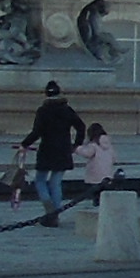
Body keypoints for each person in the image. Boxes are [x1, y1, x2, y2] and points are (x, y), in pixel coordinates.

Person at [24, 81, 86, 226]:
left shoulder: (43, 110)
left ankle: (49, 210)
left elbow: (37, 132)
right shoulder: (67, 109)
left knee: (40, 180)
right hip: (63, 150)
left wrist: (24, 144)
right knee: (56, 183)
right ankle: (55, 214)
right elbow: (81, 127)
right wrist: (76, 144)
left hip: (47, 149)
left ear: (46, 94)